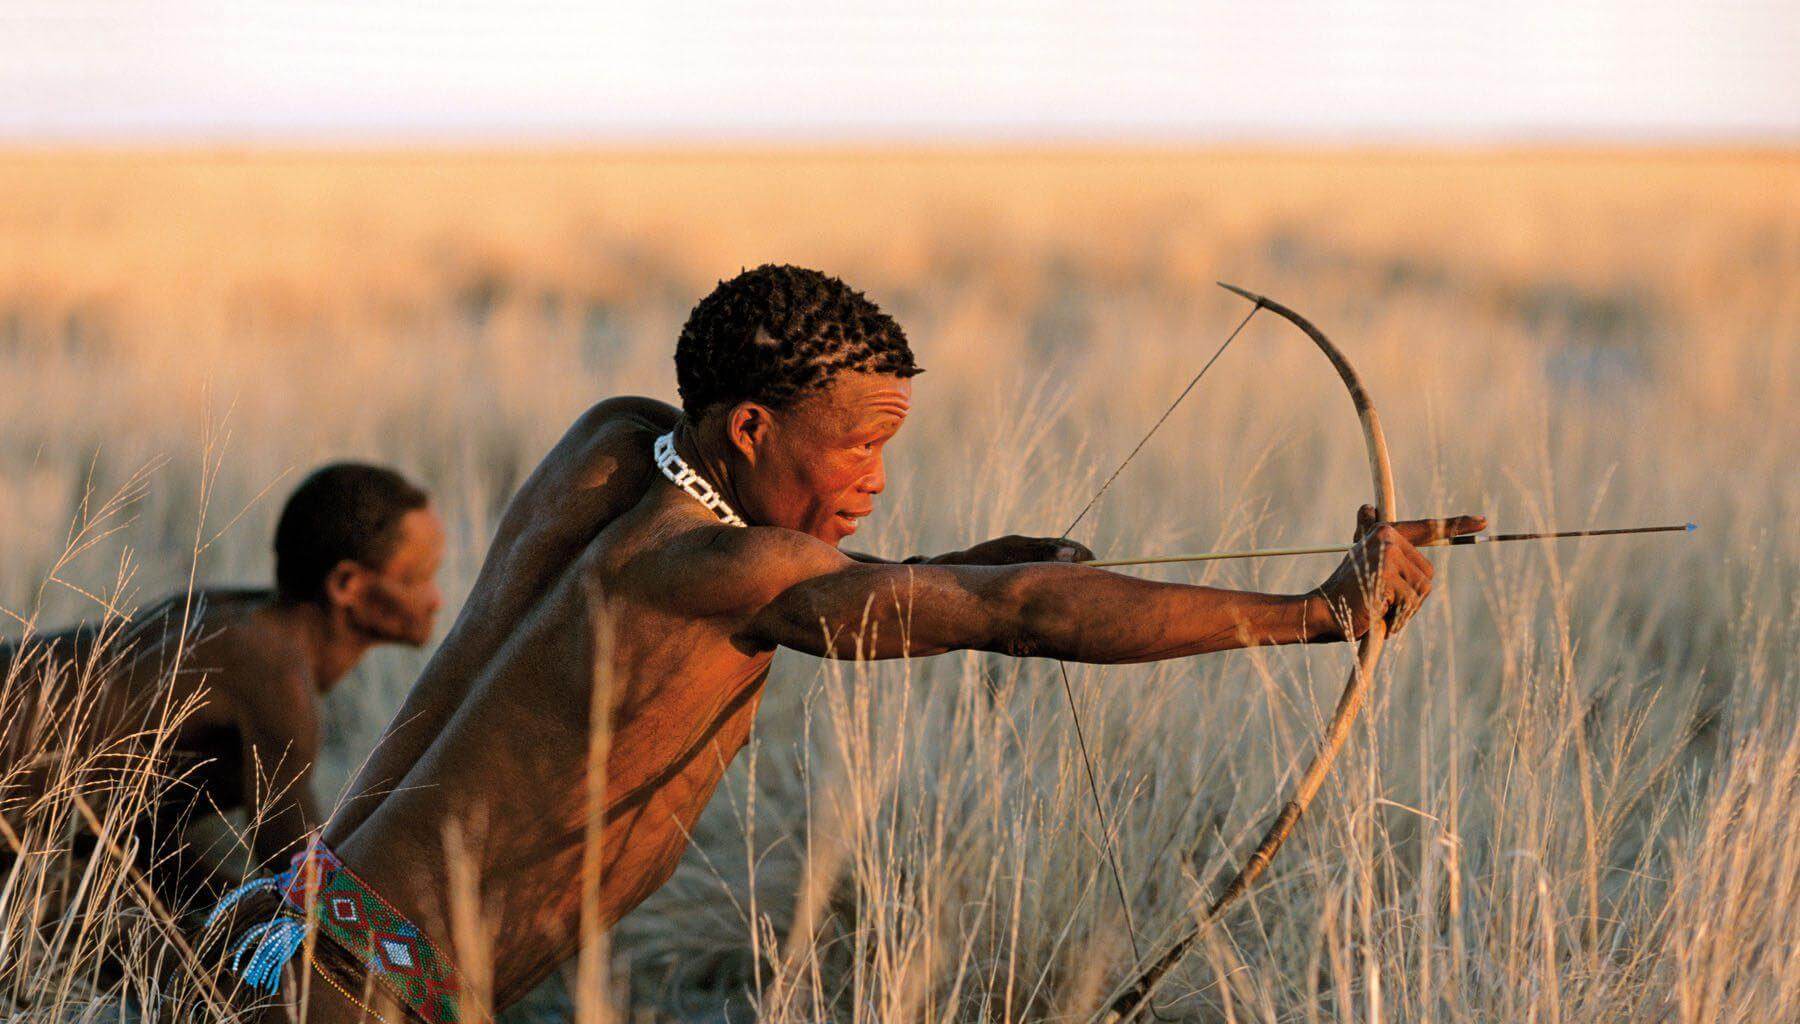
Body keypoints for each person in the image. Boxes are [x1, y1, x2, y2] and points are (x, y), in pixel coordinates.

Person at [208, 265, 1482, 1023]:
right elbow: (1019, 622)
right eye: (856, 443)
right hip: (361, 997)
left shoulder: (612, 447)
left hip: (291, 929)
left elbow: (841, 579)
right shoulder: (728, 570)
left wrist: (963, 567)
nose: (874, 476)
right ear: (751, 427)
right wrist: (1317, 614)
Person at [1, 463, 444, 913]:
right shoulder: (272, 672)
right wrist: (422, 957)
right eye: (417, 578)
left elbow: (137, 838)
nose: (437, 599)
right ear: (346, 584)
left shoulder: (236, 622)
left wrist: (220, 909)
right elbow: (306, 883)